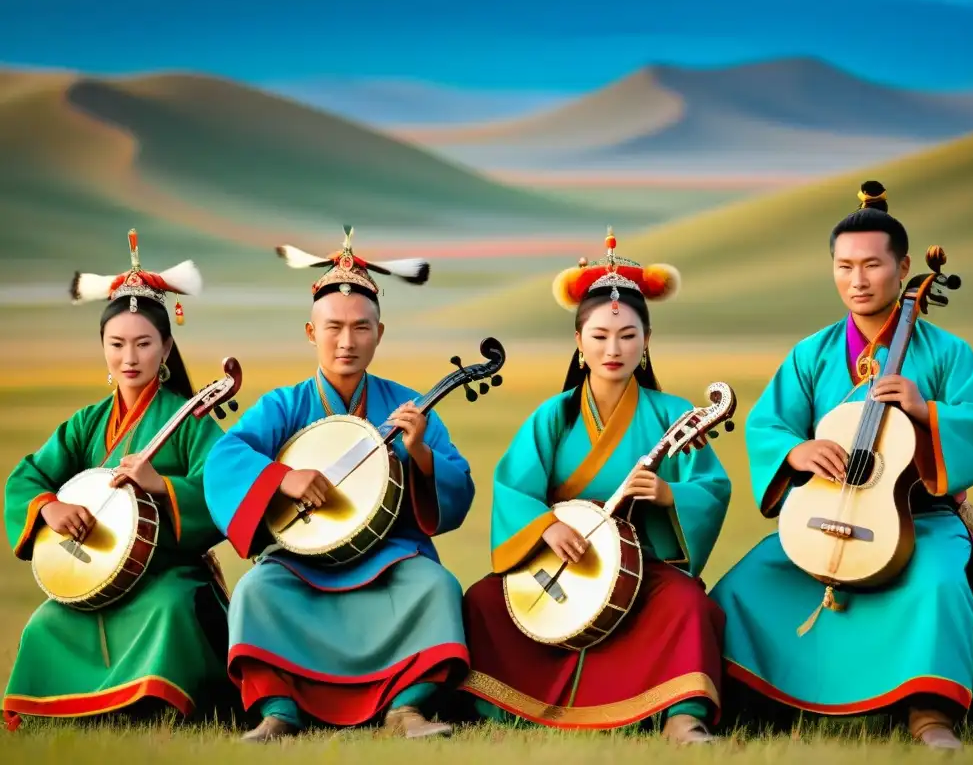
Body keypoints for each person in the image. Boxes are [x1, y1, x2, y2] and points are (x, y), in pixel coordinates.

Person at [709, 181, 973, 749]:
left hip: (920, 516)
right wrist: (794, 452)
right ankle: (758, 707)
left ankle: (929, 715)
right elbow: (768, 424)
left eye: (872, 265)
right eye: (844, 265)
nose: (857, 280)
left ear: (903, 268)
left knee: (938, 584)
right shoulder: (813, 353)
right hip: (825, 510)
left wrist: (927, 412)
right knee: (742, 587)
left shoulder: (947, 353)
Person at [458, 229, 732, 744]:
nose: (613, 348)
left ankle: (680, 716)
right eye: (600, 336)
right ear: (579, 343)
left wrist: (672, 496)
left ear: (646, 341)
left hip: (639, 568)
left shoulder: (675, 416)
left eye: (628, 335)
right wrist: (546, 525)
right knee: (483, 602)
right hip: (559, 561)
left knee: (690, 607)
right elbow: (512, 487)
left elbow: (713, 486)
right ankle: (501, 709)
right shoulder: (554, 416)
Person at [203, 228, 475, 742]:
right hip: (303, 560)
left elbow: (458, 485)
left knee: (437, 588)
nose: (346, 341)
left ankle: (406, 709)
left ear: (380, 332)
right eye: (333, 328)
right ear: (311, 332)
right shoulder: (285, 405)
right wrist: (284, 478)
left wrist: (418, 451)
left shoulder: (409, 405)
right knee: (257, 589)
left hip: (391, 557)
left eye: (360, 328)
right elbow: (227, 456)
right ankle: (280, 712)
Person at [3, 230, 233, 730]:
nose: (130, 357)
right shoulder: (87, 422)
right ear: (103, 347)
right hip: (96, 573)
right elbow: (28, 474)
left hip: (170, 572)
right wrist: (49, 508)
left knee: (169, 610)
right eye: (117, 344)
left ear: (167, 347)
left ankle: (149, 706)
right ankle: (60, 712)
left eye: (144, 343)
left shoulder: (190, 420)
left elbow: (220, 491)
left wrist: (160, 486)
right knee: (46, 621)